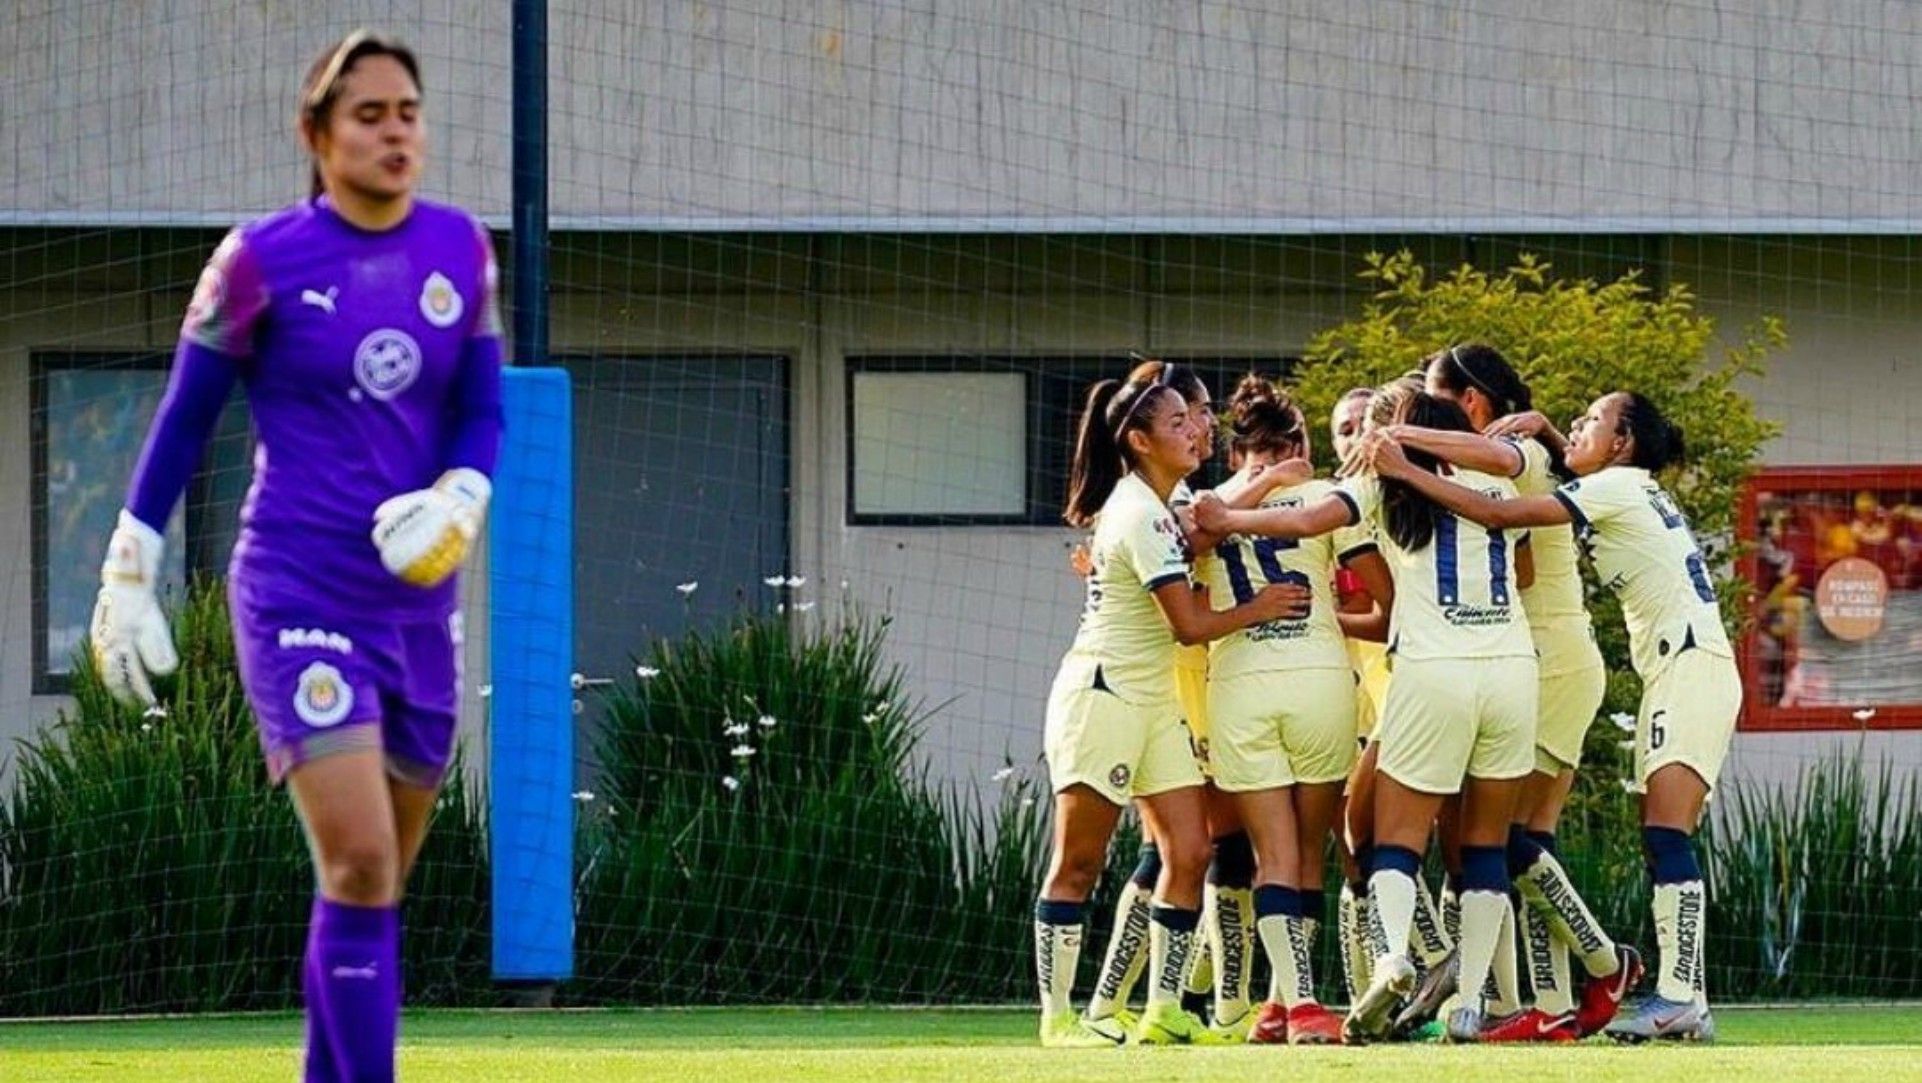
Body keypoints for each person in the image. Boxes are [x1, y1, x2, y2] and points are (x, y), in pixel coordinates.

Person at [87, 30, 502, 1081]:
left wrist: (462, 489)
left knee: (373, 885)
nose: (395, 131)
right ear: (316, 134)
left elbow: (483, 409)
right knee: (359, 858)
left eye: (408, 111)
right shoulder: (259, 260)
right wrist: (130, 560)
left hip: (417, 605)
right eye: (369, 115)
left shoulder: (463, 251)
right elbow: (187, 417)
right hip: (296, 590)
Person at [1369, 390, 1741, 1042]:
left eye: (1591, 419)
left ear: (1622, 442)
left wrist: (1404, 461)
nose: (1575, 427)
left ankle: (1679, 996)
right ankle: (1678, 994)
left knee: (1666, 836)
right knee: (1658, 837)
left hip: (1688, 662)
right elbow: (1562, 468)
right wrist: (1542, 426)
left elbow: (1496, 510)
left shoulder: (1615, 488)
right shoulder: (1630, 484)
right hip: (1685, 662)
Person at [1197, 387, 1539, 1043]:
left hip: (1429, 673)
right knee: (1486, 845)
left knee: (1390, 841)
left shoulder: (1379, 486)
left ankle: (1389, 961)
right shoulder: (1499, 475)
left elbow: (1305, 522)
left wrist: (1230, 517)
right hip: (1511, 669)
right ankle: (1470, 1003)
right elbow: (1523, 564)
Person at [1380, 345, 1641, 1039]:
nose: (1429, 412)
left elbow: (1506, 484)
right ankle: (1538, 1004)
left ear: (1470, 403)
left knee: (1505, 843)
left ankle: (1601, 961)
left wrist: (1398, 439)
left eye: (1437, 399)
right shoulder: (1500, 452)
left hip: (1545, 658)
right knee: (1515, 843)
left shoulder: (1509, 449)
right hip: (1536, 659)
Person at [1034, 370, 1302, 1047]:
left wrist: (1262, 483)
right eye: (1180, 420)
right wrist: (1258, 609)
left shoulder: (1156, 503)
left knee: (1189, 848)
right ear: (1139, 439)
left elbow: (1198, 526)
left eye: (1195, 417)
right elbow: (1186, 623)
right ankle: (1060, 1017)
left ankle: (1164, 1009)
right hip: (1104, 693)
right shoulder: (1137, 509)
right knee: (1080, 861)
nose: (1196, 429)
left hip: (1153, 699)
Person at [1201, 376, 1393, 1045]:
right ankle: (1300, 1003)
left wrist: (1246, 487)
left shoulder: (1210, 503)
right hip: (1318, 681)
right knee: (1306, 852)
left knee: (1270, 855)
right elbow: (1388, 603)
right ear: (1301, 444)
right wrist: (1332, 617)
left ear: (1234, 453)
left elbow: (1188, 551)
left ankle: (1287, 1002)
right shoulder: (1323, 498)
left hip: (1239, 687)